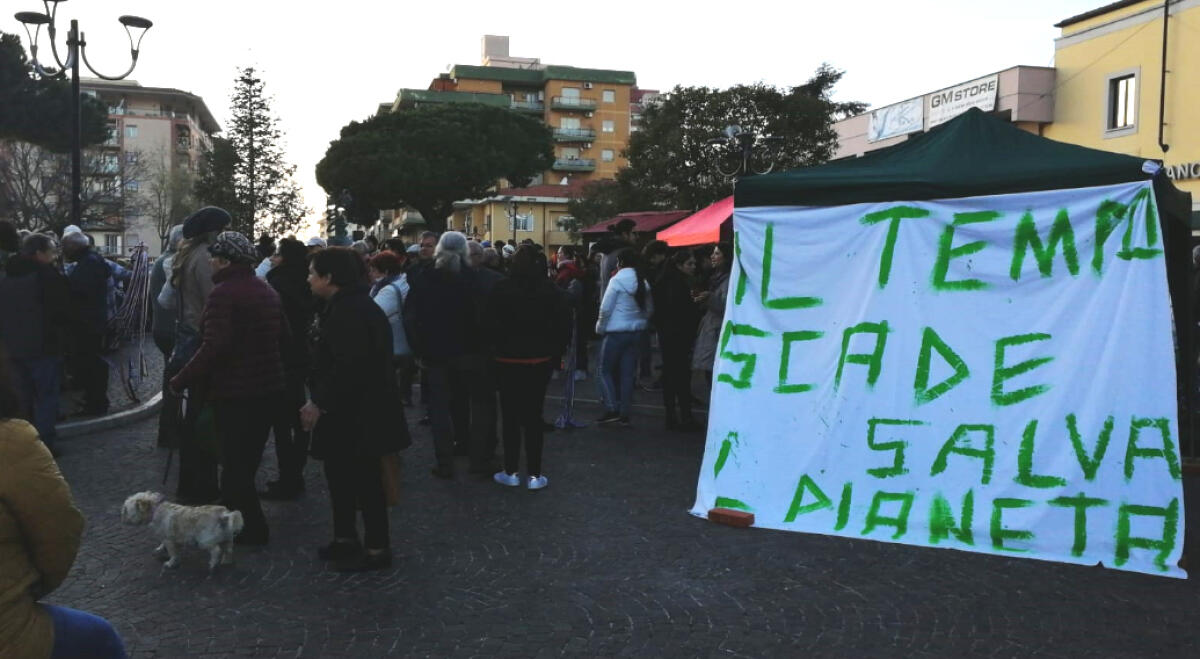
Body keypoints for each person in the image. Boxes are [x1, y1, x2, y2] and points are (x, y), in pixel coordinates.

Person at [0, 349, 128, 658]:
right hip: (11, 634)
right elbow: (60, 532)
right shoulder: (11, 443)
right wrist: (27, 587)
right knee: (101, 640)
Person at [170, 231, 286, 546]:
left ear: (224, 261)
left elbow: (213, 346)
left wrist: (181, 379)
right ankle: (239, 526)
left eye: (213, 257)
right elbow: (281, 337)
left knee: (235, 469)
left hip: (236, 391)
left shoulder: (224, 294)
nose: (209, 260)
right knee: (244, 464)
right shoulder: (266, 290)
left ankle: (252, 530)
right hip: (267, 388)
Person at [303, 247, 404, 571]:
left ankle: (376, 546)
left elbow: (348, 367)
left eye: (313, 273)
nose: (308, 278)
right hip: (352, 411)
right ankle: (346, 537)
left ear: (329, 277)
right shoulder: (348, 305)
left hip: (358, 413)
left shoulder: (350, 311)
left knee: (365, 480)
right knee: (341, 477)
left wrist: (319, 402)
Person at [484, 245, 569, 489]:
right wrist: (555, 355)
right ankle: (534, 474)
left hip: (506, 361)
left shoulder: (501, 289)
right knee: (533, 417)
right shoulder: (550, 291)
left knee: (510, 417)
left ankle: (510, 470)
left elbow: (488, 324)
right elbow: (562, 327)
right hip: (539, 361)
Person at [169, 207, 229, 504]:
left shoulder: (185, 254)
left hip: (186, 335)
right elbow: (213, 297)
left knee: (192, 416)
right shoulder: (205, 257)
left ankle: (191, 481)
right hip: (198, 336)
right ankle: (201, 484)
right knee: (201, 417)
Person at [404, 232, 475, 479]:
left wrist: (418, 349)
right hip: (466, 352)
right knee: (462, 400)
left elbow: (411, 317)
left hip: (434, 353)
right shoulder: (473, 278)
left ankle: (444, 460)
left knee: (438, 406)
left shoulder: (426, 278)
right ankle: (464, 443)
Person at [0, 234, 74, 454]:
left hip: (13, 346)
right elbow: (61, 311)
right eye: (50, 251)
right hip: (43, 345)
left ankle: (24, 443)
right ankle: (44, 445)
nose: (53, 255)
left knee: (23, 397)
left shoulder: (7, 274)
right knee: (46, 396)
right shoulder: (47, 276)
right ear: (38, 253)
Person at [262, 238, 315, 501]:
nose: (273, 258)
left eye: (277, 254)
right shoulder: (306, 282)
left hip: (281, 358)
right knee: (298, 420)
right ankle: (296, 472)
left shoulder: (277, 285)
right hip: (301, 356)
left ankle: (289, 477)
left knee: (282, 423)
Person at [595, 249, 653, 427]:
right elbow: (649, 310)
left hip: (616, 332)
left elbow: (605, 309)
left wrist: (600, 327)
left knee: (604, 370)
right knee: (627, 375)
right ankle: (624, 413)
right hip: (636, 332)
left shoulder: (616, 281)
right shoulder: (643, 282)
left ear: (620, 263)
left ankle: (612, 408)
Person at [464, 240, 506, 476]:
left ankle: (465, 448)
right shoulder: (494, 280)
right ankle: (482, 455)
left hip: (461, 349)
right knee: (484, 405)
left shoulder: (453, 280)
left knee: (463, 405)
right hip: (485, 350)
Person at [61, 231, 111, 416]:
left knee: (91, 364)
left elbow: (78, 292)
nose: (63, 251)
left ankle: (96, 403)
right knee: (91, 364)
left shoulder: (88, 263)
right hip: (93, 321)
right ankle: (95, 400)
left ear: (74, 246)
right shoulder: (92, 260)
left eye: (65, 246)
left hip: (87, 323)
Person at [653, 251, 703, 431]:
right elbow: (683, 312)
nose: (693, 267)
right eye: (690, 264)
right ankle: (685, 416)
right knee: (681, 377)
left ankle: (672, 415)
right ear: (680, 265)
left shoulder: (664, 282)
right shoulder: (680, 285)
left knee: (670, 376)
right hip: (679, 336)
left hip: (668, 336)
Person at [150, 225, 185, 447]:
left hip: (163, 328)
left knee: (172, 378)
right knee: (174, 381)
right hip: (170, 329)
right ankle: (170, 432)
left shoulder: (164, 259)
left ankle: (170, 430)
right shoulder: (171, 262)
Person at [368, 250, 415, 412]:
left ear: (386, 272)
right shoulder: (403, 282)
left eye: (374, 270)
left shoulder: (388, 290)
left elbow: (374, 313)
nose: (371, 274)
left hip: (390, 340)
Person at [693, 243, 733, 387]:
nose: (712, 256)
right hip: (711, 327)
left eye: (717, 253)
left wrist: (709, 297)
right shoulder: (716, 277)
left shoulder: (729, 280)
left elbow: (726, 306)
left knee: (715, 372)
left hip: (718, 330)